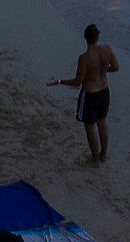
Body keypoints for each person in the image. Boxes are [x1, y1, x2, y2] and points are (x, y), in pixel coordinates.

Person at [48, 24, 117, 163]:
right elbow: (115, 67)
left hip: (90, 94)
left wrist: (60, 81)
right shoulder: (107, 50)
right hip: (104, 92)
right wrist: (102, 70)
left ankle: (95, 160)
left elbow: (78, 81)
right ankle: (103, 155)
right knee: (102, 122)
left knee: (90, 127)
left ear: (85, 38)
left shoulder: (84, 58)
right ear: (98, 37)